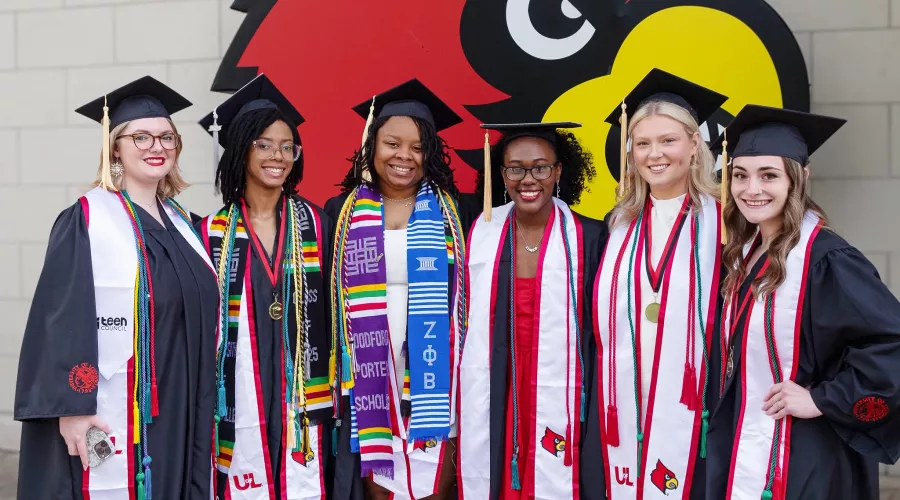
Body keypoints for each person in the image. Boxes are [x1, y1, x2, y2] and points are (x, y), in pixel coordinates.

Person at [14, 76, 219, 499]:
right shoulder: (87, 220)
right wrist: (73, 407)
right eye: (140, 136)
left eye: (166, 137)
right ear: (115, 149)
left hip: (182, 404)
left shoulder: (186, 225)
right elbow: (60, 320)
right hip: (118, 406)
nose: (156, 146)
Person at [705, 105, 900, 500]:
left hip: (806, 454)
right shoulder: (744, 254)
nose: (751, 189)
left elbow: (891, 347)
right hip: (746, 441)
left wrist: (820, 398)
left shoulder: (827, 259)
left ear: (799, 178)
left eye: (769, 175)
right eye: (740, 175)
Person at [325, 79, 476, 500]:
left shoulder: (455, 210)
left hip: (435, 368)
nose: (404, 156)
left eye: (417, 146)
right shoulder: (343, 212)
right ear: (372, 146)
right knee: (378, 482)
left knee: (435, 484)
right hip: (371, 369)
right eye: (392, 143)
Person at [196, 74, 335, 499]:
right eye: (264, 144)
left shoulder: (316, 224)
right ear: (240, 150)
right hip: (242, 394)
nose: (278, 155)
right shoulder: (210, 234)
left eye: (287, 146)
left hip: (302, 395)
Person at [593, 68, 728, 500]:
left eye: (668, 140)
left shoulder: (726, 223)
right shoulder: (615, 228)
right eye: (642, 143)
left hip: (698, 403)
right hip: (625, 398)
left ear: (694, 146)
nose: (655, 154)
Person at [458, 121, 606, 499]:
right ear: (501, 173)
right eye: (515, 168)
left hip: (563, 378)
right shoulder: (479, 232)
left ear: (558, 171)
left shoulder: (590, 236)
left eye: (541, 167)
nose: (528, 178)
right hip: (495, 378)